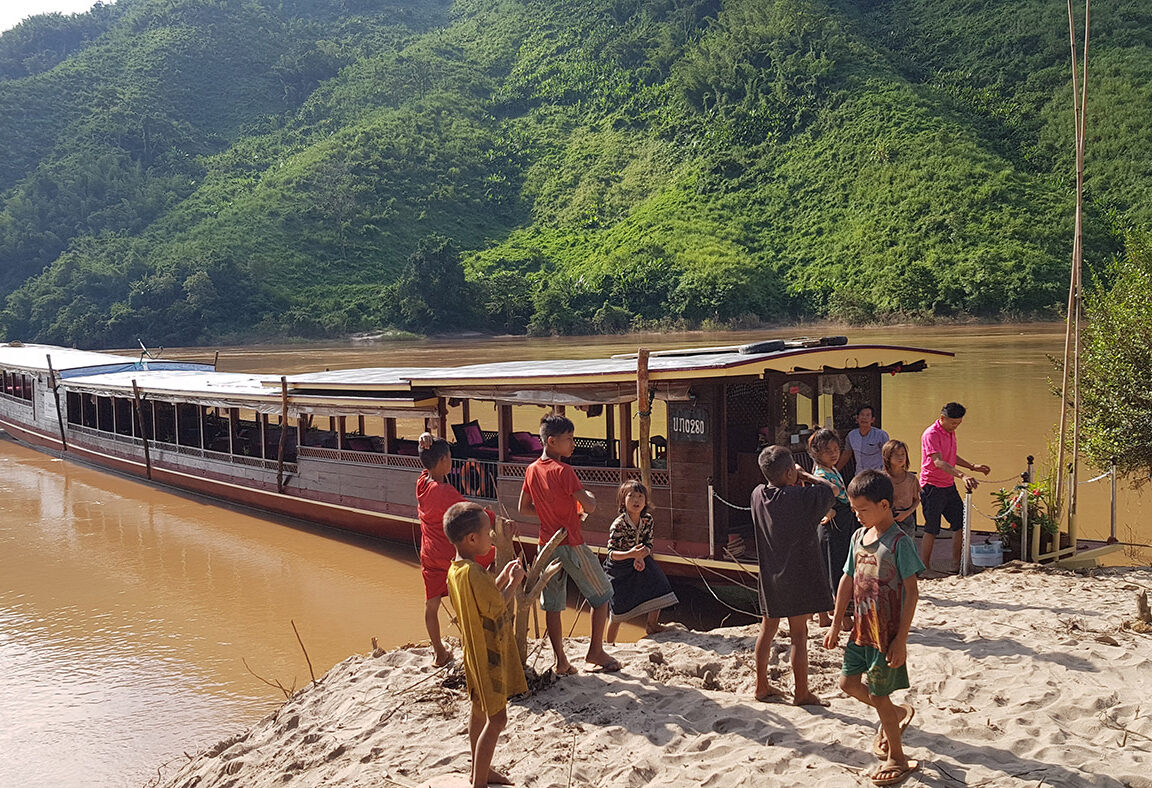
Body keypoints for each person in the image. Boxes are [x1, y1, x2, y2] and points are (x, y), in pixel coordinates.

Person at [824, 470, 924, 787]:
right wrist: (837, 622)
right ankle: (894, 715)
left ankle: (898, 757)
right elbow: (846, 580)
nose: (857, 515)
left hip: (886, 634)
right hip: (861, 630)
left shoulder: (899, 543)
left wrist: (902, 640)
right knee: (848, 684)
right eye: (854, 510)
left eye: (862, 510)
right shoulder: (858, 537)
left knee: (879, 695)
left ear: (884, 504)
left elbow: (912, 592)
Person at [518, 414, 618, 674]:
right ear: (551, 441)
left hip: (546, 544)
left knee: (552, 604)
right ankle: (596, 651)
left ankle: (560, 660)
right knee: (603, 594)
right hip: (571, 541)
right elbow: (590, 506)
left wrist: (551, 512)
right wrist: (587, 502)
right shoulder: (564, 471)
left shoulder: (531, 470)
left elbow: (524, 508)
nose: (573, 444)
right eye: (569, 439)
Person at [444, 502, 527, 788]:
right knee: (498, 719)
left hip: (473, 654)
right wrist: (515, 583)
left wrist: (503, 576)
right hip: (488, 655)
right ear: (471, 539)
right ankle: (479, 782)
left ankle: (481, 770)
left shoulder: (457, 570)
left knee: (478, 711)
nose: (491, 536)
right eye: (487, 532)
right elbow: (496, 606)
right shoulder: (474, 573)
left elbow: (484, 596)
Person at [750, 445, 838, 706]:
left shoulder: (757, 495)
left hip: (770, 575)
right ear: (790, 472)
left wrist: (791, 476)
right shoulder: (800, 498)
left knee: (767, 631)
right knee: (799, 635)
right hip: (798, 573)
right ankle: (801, 692)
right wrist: (806, 475)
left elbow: (774, 486)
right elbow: (831, 490)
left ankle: (761, 685)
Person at [417, 433, 493, 666]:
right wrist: (491, 516)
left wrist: (424, 439)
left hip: (429, 553)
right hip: (449, 554)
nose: (452, 461)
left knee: (432, 604)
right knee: (487, 560)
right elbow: (468, 511)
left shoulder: (422, 484)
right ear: (442, 461)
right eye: (450, 457)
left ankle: (439, 651)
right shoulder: (445, 491)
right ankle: (475, 642)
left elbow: (424, 467)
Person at [604, 480, 678, 644]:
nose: (636, 500)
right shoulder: (619, 525)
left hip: (641, 559)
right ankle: (609, 644)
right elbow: (611, 554)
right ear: (623, 500)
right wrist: (631, 555)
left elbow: (648, 543)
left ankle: (652, 625)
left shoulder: (648, 520)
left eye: (640, 496)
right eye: (631, 496)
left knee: (659, 585)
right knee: (618, 609)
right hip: (619, 567)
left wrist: (641, 556)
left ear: (645, 500)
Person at [919, 403, 990, 572]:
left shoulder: (950, 432)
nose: (955, 426)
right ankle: (924, 567)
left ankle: (956, 564)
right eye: (953, 423)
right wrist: (963, 476)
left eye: (958, 423)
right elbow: (938, 461)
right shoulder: (931, 434)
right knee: (932, 528)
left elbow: (951, 457)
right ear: (942, 418)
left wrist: (972, 467)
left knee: (960, 523)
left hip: (948, 485)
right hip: (931, 486)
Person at [808, 428, 858, 625]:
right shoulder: (820, 474)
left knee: (834, 567)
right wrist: (829, 511)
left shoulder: (832, 469)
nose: (834, 453)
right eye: (828, 450)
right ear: (816, 453)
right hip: (833, 526)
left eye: (836, 449)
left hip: (843, 522)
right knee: (836, 569)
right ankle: (843, 618)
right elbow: (821, 497)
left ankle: (825, 614)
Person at [882, 439, 920, 536]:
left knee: (907, 547)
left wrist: (907, 513)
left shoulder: (911, 479)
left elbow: (917, 499)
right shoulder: (882, 479)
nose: (900, 457)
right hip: (886, 518)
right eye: (896, 454)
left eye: (903, 454)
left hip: (907, 518)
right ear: (888, 457)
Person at [838, 405, 890, 473]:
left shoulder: (881, 435)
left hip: (878, 474)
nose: (864, 418)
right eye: (862, 415)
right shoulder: (851, 435)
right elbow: (847, 454)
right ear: (857, 418)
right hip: (859, 474)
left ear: (872, 419)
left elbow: (888, 455)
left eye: (867, 415)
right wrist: (836, 470)